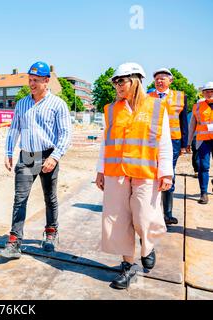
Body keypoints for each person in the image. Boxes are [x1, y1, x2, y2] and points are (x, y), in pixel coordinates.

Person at [95, 63, 173, 290]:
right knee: (118, 220)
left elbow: (164, 143)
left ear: (135, 81)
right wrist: (100, 170)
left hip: (145, 173)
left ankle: (147, 246)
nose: (117, 85)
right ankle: (127, 266)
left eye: (121, 81)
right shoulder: (111, 109)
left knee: (144, 218)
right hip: (116, 173)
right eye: (115, 82)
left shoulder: (156, 107)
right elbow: (105, 144)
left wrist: (166, 172)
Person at [0, 61, 72, 259]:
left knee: (50, 197)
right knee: (20, 199)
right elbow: (14, 129)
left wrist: (55, 157)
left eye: (36, 80)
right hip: (27, 156)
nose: (32, 84)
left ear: (46, 81)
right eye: (30, 80)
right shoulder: (22, 104)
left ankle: (51, 232)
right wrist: (9, 152)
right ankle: (14, 242)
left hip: (49, 155)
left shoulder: (58, 105)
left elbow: (65, 134)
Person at [148, 68, 188, 226]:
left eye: (163, 78)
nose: (159, 81)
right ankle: (152, 209)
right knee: (152, 172)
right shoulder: (147, 97)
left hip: (173, 140)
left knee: (168, 171)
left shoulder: (179, 97)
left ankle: (167, 213)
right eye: (157, 78)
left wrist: (185, 144)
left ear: (170, 81)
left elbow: (184, 121)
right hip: (152, 140)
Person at [187, 82, 213, 204]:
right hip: (203, 141)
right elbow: (192, 125)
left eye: (212, 91)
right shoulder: (197, 106)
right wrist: (188, 142)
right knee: (204, 167)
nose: (209, 93)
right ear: (202, 93)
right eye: (206, 91)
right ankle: (204, 193)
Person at [187, 110, 199, 177]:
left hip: (207, 136)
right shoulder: (193, 113)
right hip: (196, 136)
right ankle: (197, 170)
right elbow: (190, 127)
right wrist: (188, 142)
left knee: (197, 154)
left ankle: (199, 170)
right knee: (196, 153)